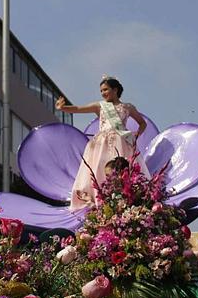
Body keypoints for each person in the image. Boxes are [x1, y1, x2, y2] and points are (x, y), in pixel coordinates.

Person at [55, 76, 149, 210]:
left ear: (115, 90)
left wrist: (137, 134)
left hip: (122, 142)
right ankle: (98, 200)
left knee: (122, 170)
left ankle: (124, 198)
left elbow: (142, 123)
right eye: (101, 91)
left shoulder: (128, 107)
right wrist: (63, 108)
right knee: (99, 168)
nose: (103, 93)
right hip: (102, 143)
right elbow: (78, 108)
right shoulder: (100, 106)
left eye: (105, 89)